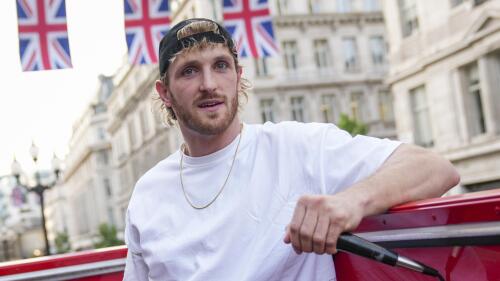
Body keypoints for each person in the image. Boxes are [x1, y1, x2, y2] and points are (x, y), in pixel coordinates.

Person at [123, 18, 460, 281]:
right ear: (164, 93)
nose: (209, 84)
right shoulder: (148, 193)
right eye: (190, 71)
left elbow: (436, 169)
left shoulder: (297, 146)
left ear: (238, 77)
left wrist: (349, 202)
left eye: (221, 66)